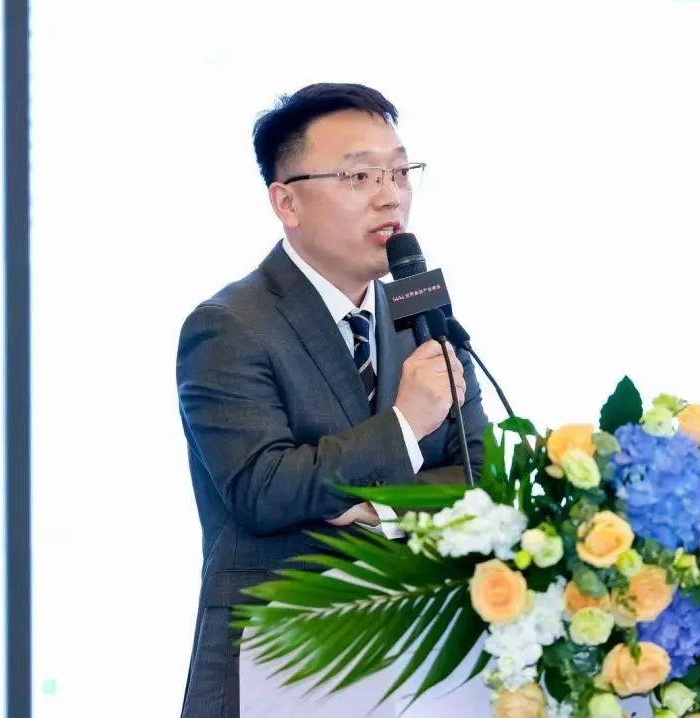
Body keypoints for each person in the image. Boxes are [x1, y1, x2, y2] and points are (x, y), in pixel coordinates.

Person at [176, 82, 488, 718]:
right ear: (286, 202)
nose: (389, 195)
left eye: (400, 172)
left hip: (414, 664)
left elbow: (479, 472)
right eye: (359, 176)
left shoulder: (420, 312)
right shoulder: (228, 326)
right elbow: (264, 491)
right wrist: (404, 428)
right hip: (277, 661)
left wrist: (376, 510)